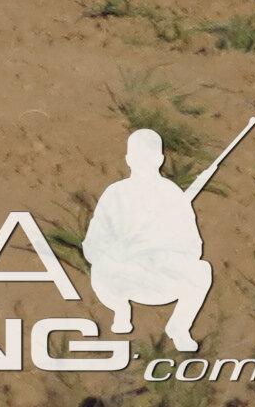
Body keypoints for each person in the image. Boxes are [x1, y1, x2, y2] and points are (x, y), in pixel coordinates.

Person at [84, 126, 219, 352]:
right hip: (122, 276)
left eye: (148, 156)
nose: (143, 161)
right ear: (128, 159)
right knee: (101, 267)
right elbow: (92, 245)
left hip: (160, 277)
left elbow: (193, 247)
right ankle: (120, 309)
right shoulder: (115, 193)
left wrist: (161, 248)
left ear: (160, 159)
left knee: (202, 270)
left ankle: (179, 327)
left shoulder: (172, 194)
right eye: (138, 156)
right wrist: (119, 250)